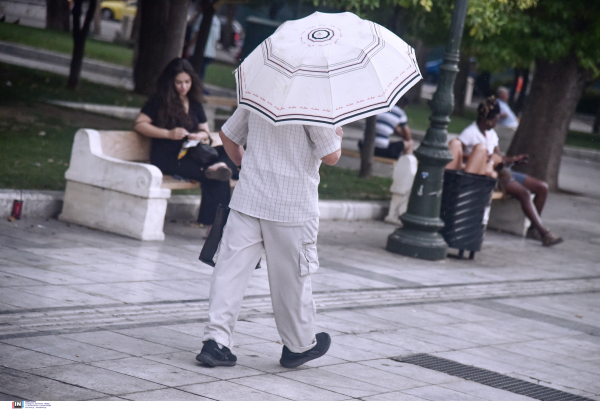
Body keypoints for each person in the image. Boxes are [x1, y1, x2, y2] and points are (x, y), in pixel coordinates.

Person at [195, 109, 343, 369]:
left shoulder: (261, 90)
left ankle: (216, 342)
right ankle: (298, 346)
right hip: (292, 206)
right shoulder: (314, 102)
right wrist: (337, 133)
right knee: (292, 278)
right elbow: (331, 156)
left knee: (229, 272)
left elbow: (228, 136)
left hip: (249, 197)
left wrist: (244, 166)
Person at [134, 58, 237, 235]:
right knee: (218, 176)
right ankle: (215, 229)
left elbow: (205, 131)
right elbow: (140, 124)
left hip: (192, 152)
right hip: (169, 157)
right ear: (170, 82)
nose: (183, 87)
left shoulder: (194, 102)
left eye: (187, 82)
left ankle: (217, 167)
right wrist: (168, 133)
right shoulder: (159, 101)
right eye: (179, 82)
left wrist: (200, 135)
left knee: (226, 154)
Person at [446, 96, 563, 247]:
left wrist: (514, 159)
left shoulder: (492, 133)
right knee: (525, 194)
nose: (496, 122)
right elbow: (458, 154)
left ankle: (534, 229)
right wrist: (481, 156)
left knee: (542, 187)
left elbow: (499, 157)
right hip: (489, 174)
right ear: (486, 118)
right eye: (495, 118)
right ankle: (544, 233)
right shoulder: (470, 132)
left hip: (502, 170)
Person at [186, 8, 221, 81]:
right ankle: (199, 84)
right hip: (210, 52)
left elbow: (197, 33)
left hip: (198, 50)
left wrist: (189, 47)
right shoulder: (217, 21)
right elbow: (217, 39)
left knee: (192, 70)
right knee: (201, 71)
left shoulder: (202, 17)